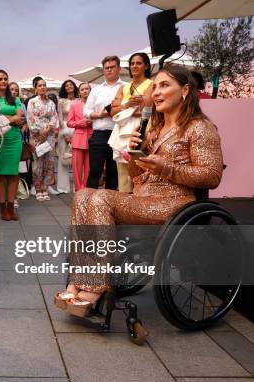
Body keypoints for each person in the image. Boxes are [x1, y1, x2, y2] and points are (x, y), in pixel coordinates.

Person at [56, 66, 223, 317]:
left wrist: (166, 166)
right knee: (83, 195)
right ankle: (80, 280)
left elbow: (212, 176)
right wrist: (135, 157)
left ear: (186, 90)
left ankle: (96, 284)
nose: (156, 92)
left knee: (101, 197)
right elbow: (138, 179)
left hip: (175, 203)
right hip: (143, 199)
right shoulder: (153, 128)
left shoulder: (198, 128)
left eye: (164, 85)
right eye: (154, 86)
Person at [109, 52, 154, 193]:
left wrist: (121, 107)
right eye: (132, 63)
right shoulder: (123, 87)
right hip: (121, 130)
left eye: (139, 63)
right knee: (122, 171)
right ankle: (124, 202)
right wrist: (127, 105)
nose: (134, 66)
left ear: (146, 66)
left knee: (141, 167)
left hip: (142, 127)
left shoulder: (152, 84)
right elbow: (111, 111)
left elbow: (145, 107)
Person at [83, 55, 123, 190]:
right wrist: (100, 114)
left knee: (113, 173)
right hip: (98, 134)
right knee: (94, 171)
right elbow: (86, 111)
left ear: (119, 69)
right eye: (107, 68)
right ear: (103, 70)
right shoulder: (96, 90)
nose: (109, 70)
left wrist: (115, 111)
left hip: (117, 134)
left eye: (112, 67)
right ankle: (88, 203)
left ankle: (109, 205)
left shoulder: (126, 87)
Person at [0, 70, 24, 220]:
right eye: (0, 79)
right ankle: (2, 208)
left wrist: (4, 117)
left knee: (13, 174)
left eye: (5, 79)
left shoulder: (14, 98)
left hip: (15, 138)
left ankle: (11, 206)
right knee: (0, 174)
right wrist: (11, 118)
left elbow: (20, 117)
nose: (3, 81)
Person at [26, 78, 59, 201]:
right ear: (35, 88)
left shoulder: (51, 103)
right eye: (40, 85)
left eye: (44, 85)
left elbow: (55, 118)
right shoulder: (32, 102)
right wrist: (40, 130)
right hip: (37, 136)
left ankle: (45, 188)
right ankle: (38, 188)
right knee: (37, 163)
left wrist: (48, 128)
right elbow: (30, 118)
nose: (42, 87)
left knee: (49, 163)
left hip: (49, 135)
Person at [67, 83, 93, 192]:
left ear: (90, 91)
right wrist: (80, 123)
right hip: (78, 139)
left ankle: (86, 190)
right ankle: (78, 190)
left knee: (89, 167)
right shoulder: (74, 105)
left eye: (87, 89)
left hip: (92, 137)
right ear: (79, 92)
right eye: (82, 89)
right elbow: (69, 122)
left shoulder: (95, 104)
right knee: (77, 168)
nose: (85, 91)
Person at [56, 80, 79, 194]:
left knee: (77, 158)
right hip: (64, 130)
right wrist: (64, 132)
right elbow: (59, 118)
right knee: (63, 158)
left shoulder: (79, 101)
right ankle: (63, 187)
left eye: (71, 85)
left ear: (74, 87)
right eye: (66, 85)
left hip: (78, 130)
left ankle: (78, 187)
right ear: (64, 89)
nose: (69, 86)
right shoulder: (61, 101)